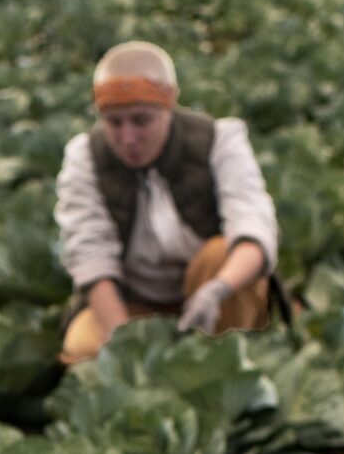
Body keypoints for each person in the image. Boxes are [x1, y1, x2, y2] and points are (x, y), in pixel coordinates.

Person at [53, 40, 291, 365]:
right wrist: (127, 350)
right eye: (114, 122)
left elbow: (254, 229)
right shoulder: (85, 157)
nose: (128, 137)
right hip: (135, 299)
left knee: (221, 254)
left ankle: (229, 358)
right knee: (84, 346)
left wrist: (216, 291)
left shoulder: (218, 140)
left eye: (141, 120)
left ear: (168, 107)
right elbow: (91, 257)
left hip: (213, 291)